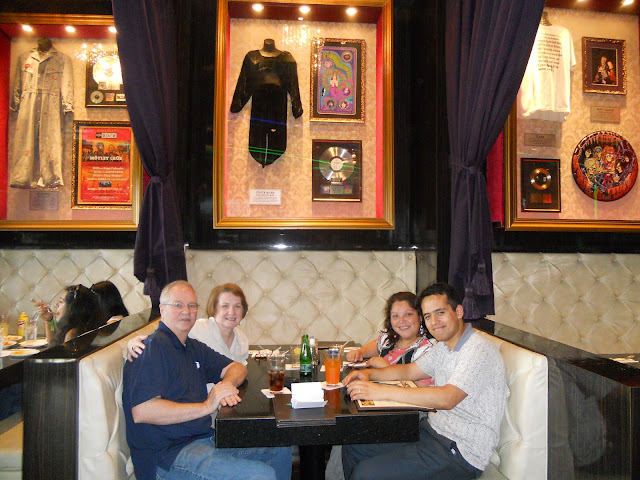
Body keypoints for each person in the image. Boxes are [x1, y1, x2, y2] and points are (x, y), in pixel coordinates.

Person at [123, 280, 291, 480]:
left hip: (203, 440)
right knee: (261, 475)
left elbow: (237, 368)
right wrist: (207, 405)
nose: (186, 311)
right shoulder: (150, 349)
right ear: (162, 309)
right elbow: (142, 411)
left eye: (191, 305)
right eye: (178, 305)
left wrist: (225, 385)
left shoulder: (192, 347)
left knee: (280, 446)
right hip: (166, 456)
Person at [341, 282, 508, 480]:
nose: (434, 322)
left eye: (440, 313)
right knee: (354, 446)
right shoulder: (444, 347)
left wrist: (379, 391)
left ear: (458, 311)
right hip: (432, 432)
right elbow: (410, 370)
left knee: (365, 474)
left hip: (461, 451)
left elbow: (447, 398)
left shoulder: (478, 350)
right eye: (428, 316)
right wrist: (369, 375)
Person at [128, 283, 250, 365]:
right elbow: (164, 332)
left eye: (237, 306)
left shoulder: (242, 339)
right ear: (214, 308)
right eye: (225, 306)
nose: (231, 312)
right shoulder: (198, 328)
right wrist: (133, 342)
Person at [346, 292, 436, 369]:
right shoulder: (389, 338)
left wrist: (385, 367)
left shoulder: (428, 349)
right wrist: (360, 352)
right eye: (395, 316)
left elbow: (415, 381)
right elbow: (377, 345)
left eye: (408, 314)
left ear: (420, 316)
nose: (401, 321)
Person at [35, 285, 106, 346]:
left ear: (73, 308)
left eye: (61, 302)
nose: (56, 305)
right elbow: (53, 345)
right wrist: (49, 320)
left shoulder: (72, 334)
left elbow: (56, 354)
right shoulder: (77, 326)